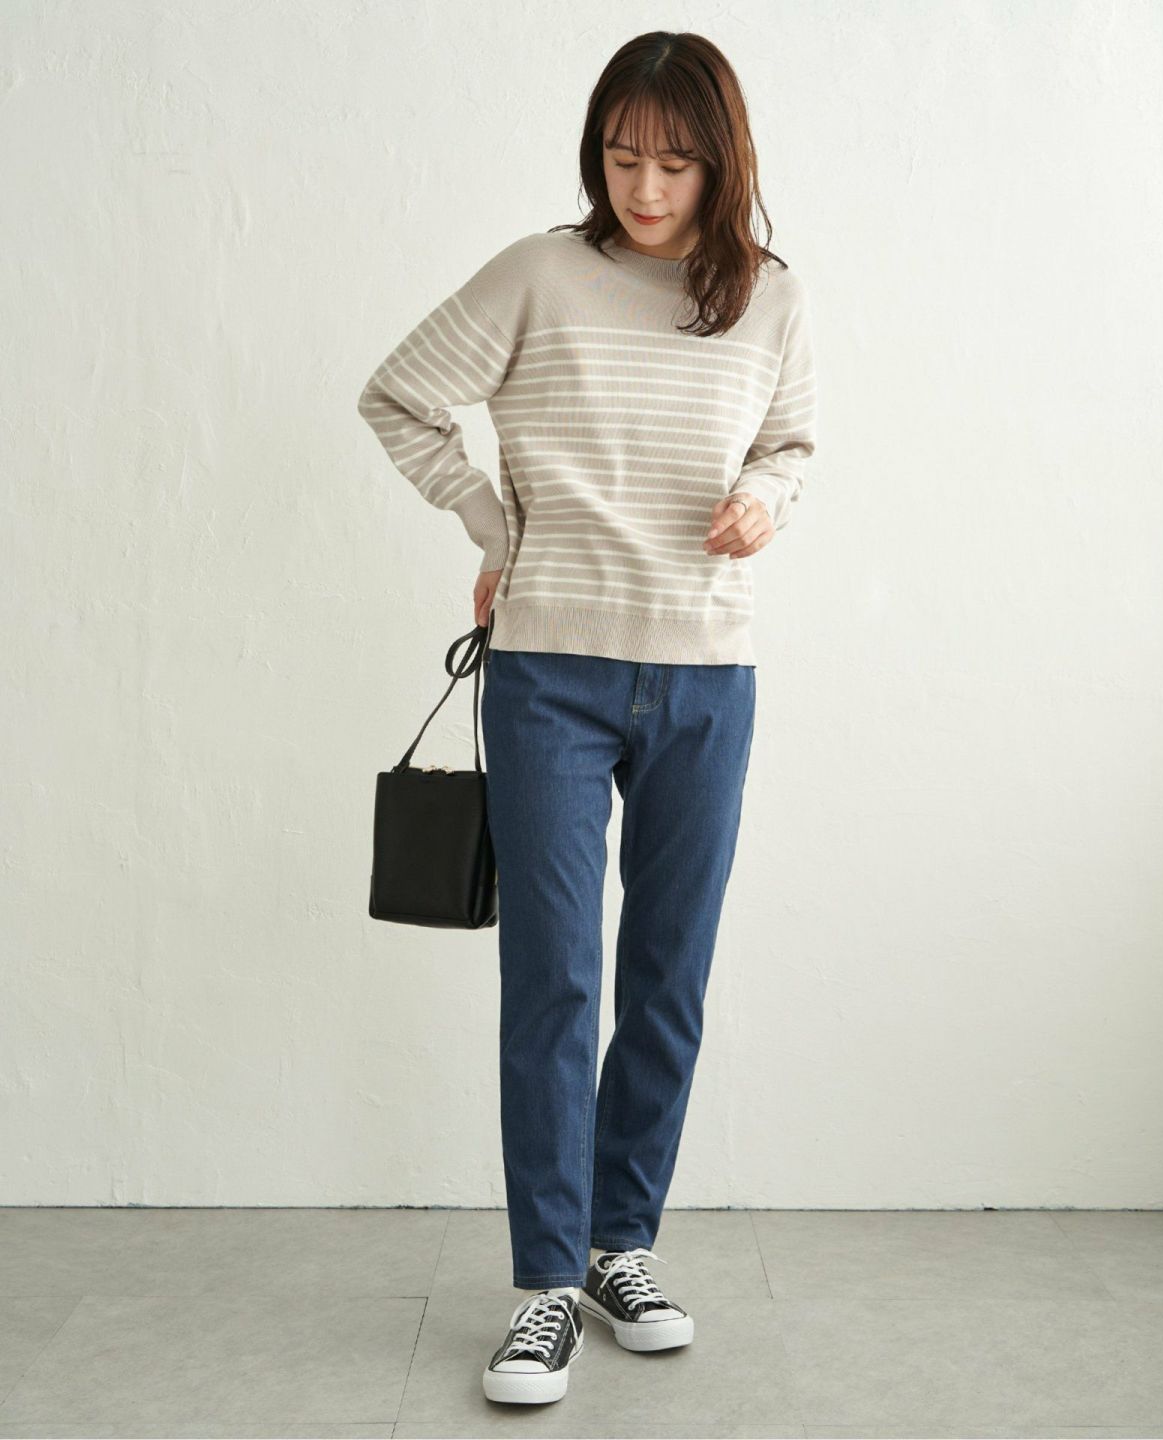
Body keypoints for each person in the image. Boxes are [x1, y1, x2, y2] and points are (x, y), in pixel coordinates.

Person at [357, 29, 818, 1407]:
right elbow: (398, 396)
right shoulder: (539, 275)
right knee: (554, 976)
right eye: (622, 157)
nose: (645, 187)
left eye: (674, 162)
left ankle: (626, 1247)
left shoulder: (771, 298)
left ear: (721, 163)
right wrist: (496, 521)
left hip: (706, 675)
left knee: (668, 974)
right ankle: (547, 1283)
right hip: (549, 669)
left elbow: (791, 445)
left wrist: (764, 504)